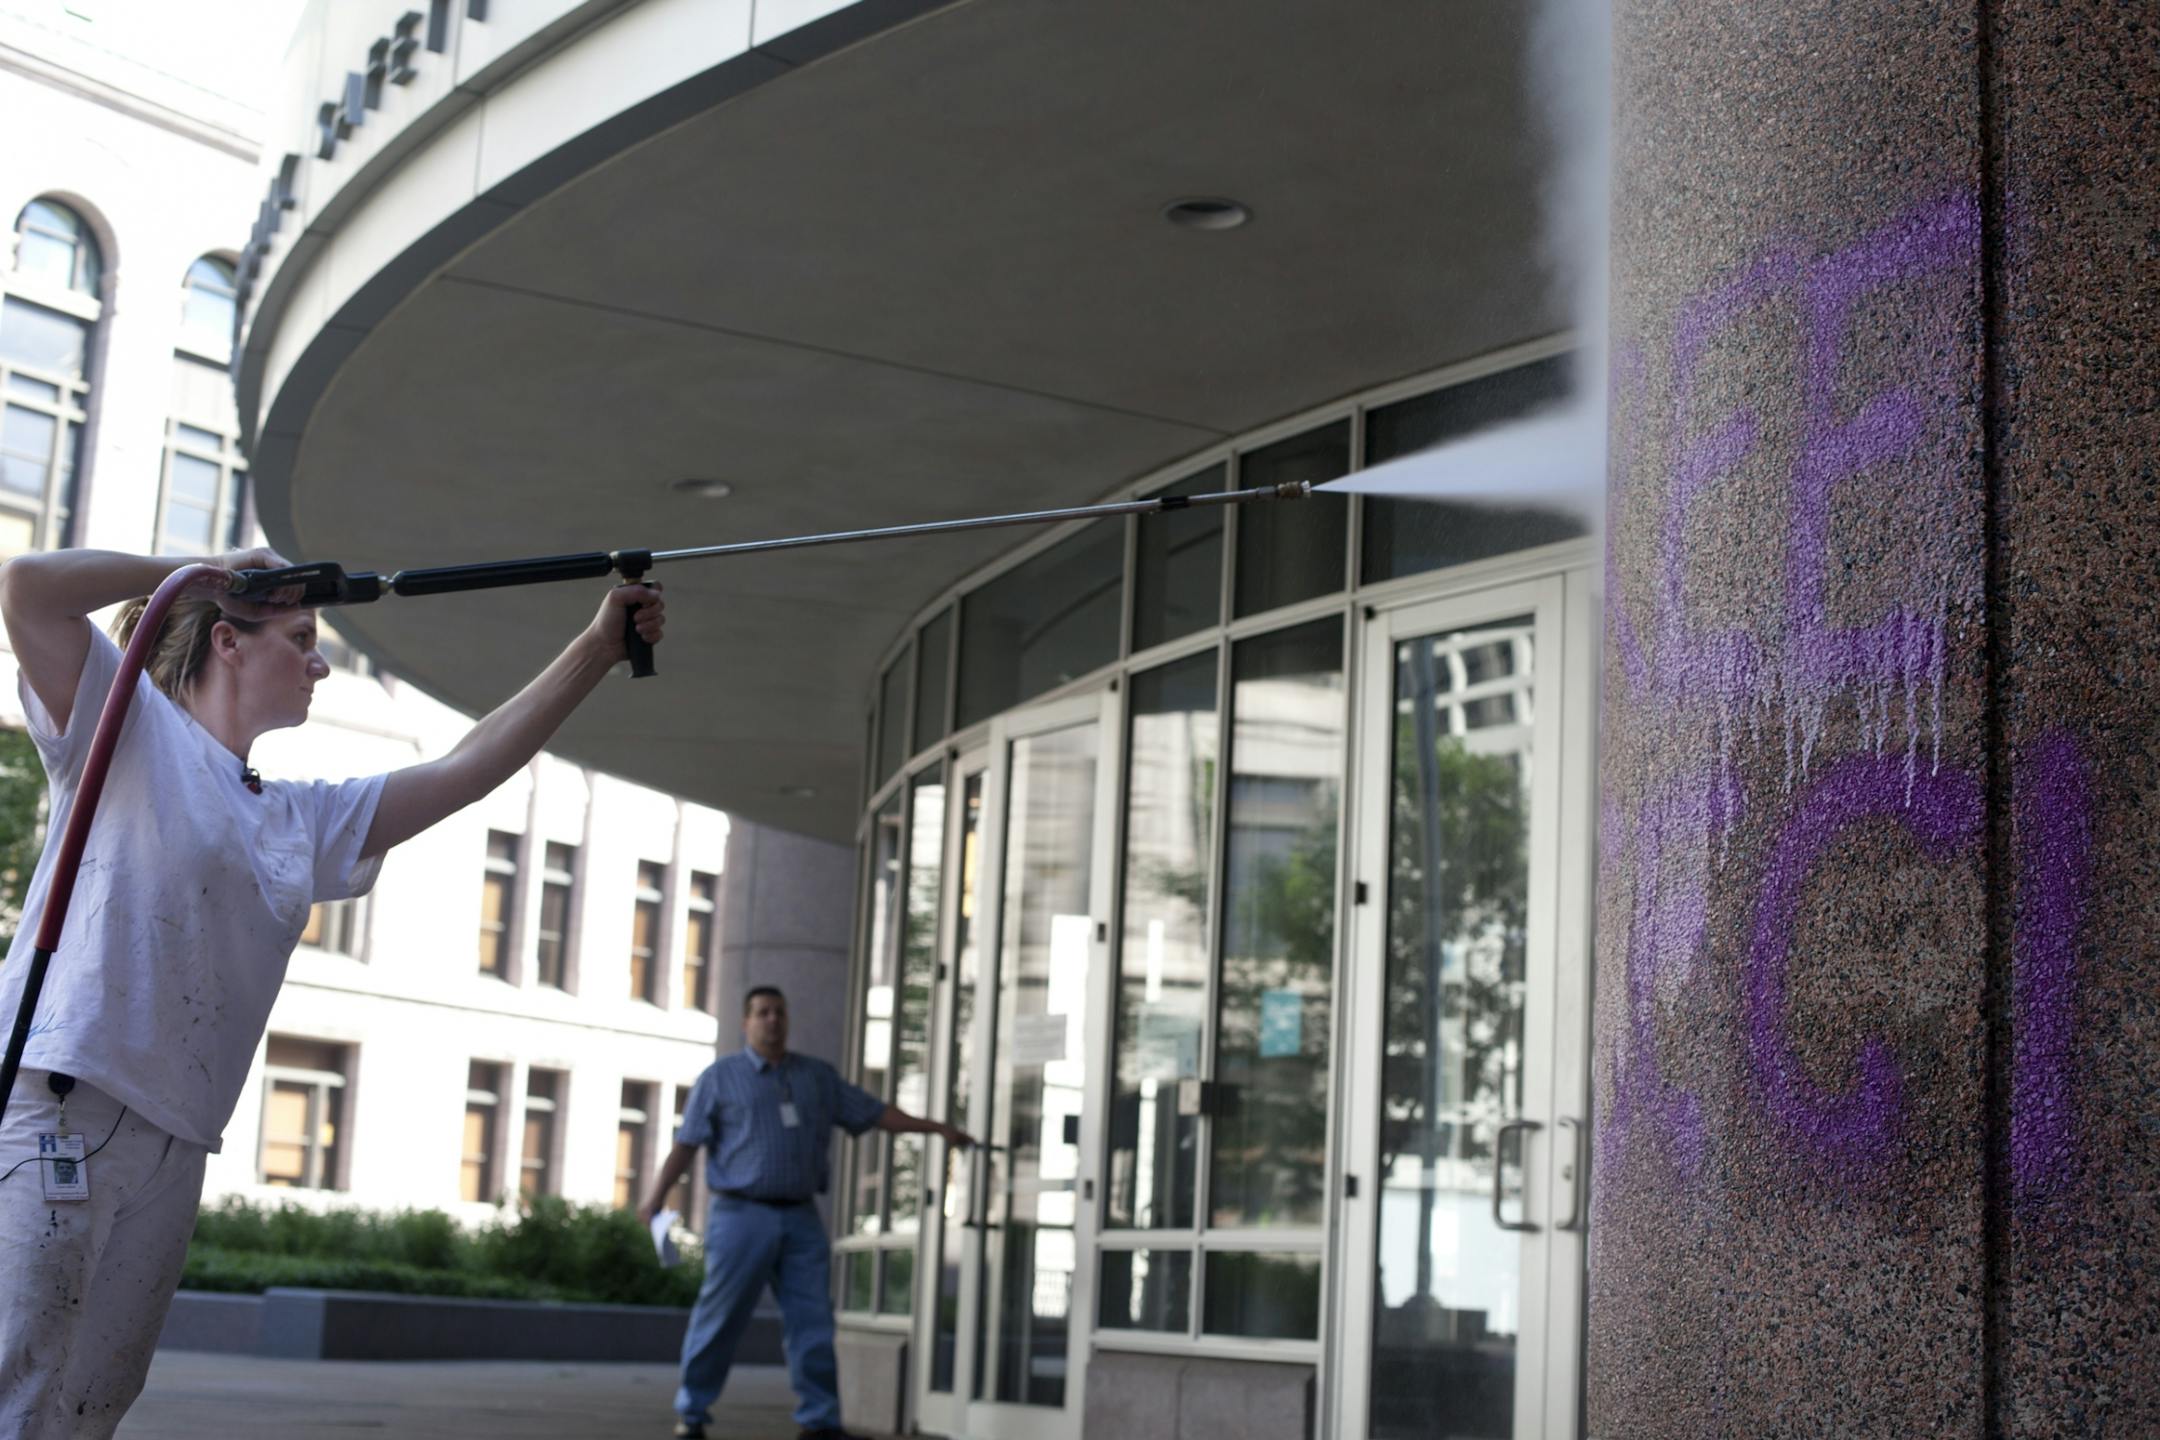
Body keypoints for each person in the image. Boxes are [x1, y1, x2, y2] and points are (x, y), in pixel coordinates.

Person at [0, 544, 664, 1438]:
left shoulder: (296, 817)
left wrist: (595, 648)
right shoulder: (126, 728)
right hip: (63, 1105)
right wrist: (200, 567)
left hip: (179, 1143)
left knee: (89, 1408)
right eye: (303, 638)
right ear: (228, 642)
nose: (319, 663)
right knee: (22, 1391)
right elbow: (28, 589)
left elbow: (463, 771)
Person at [640, 985, 971, 1440]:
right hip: (740, 1216)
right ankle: (692, 1413)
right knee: (719, 1318)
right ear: (745, 1023)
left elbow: (874, 1112)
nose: (772, 1020)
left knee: (813, 1322)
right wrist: (656, 1197)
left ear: (788, 1019)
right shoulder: (720, 1078)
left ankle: (819, 1419)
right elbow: (688, 1142)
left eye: (779, 1011)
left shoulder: (816, 1077)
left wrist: (936, 1128)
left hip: (800, 1219)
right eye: (762, 1013)